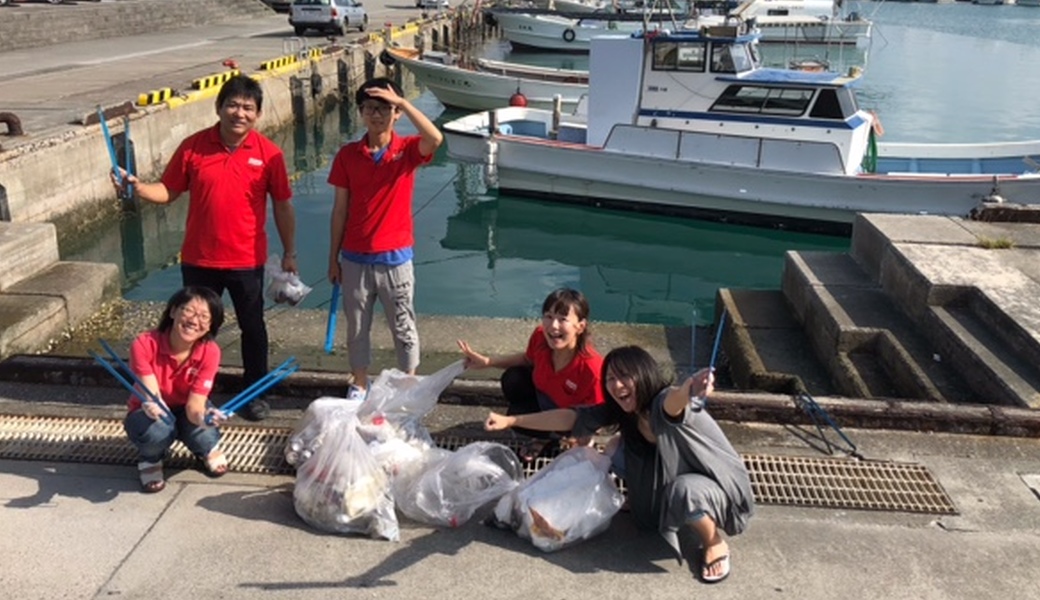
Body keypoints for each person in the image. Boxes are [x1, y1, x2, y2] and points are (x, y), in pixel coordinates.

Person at [485, 345, 754, 584]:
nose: (616, 385)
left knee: (684, 491)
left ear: (644, 374)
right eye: (611, 379)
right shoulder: (624, 410)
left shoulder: (661, 402)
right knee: (613, 450)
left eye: (625, 376)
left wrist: (689, 388)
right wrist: (513, 421)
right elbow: (570, 418)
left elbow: (673, 401)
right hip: (669, 473)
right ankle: (652, 499)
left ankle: (714, 541)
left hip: (714, 485)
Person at [112, 75, 297, 421]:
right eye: (233, 105)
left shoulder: (268, 154)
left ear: (257, 114)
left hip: (246, 260)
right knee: (190, 328)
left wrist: (290, 252)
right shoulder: (193, 146)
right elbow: (168, 191)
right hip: (199, 259)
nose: (239, 113)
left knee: (253, 327)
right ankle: (187, 393)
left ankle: (254, 392)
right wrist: (137, 187)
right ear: (219, 107)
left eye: (247, 107)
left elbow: (284, 205)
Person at [326, 77, 443, 401]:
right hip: (354, 257)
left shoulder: (406, 150)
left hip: (396, 259)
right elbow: (339, 211)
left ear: (397, 114)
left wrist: (404, 102)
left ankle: (408, 382)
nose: (376, 115)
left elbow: (435, 138)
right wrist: (332, 259)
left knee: (404, 326)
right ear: (361, 112)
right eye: (370, 108)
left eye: (385, 108)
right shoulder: (348, 155)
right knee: (356, 328)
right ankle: (360, 382)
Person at [458, 288, 604, 457]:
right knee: (513, 379)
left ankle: (553, 438)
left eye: (563, 319)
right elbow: (528, 359)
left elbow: (596, 417)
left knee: (517, 420)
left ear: (580, 326)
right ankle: (543, 433)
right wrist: (488, 362)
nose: (553, 326)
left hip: (572, 419)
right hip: (545, 400)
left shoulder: (592, 368)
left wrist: (581, 437)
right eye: (548, 316)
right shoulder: (541, 336)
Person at [124, 287, 228, 493]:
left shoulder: (211, 351)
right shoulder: (144, 344)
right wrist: (152, 405)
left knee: (205, 434)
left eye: (204, 317)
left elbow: (195, 404)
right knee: (158, 429)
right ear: (173, 312)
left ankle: (205, 448)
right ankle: (150, 458)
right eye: (188, 311)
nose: (194, 320)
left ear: (210, 326)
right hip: (150, 408)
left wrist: (203, 418)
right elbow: (152, 395)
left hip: (186, 406)